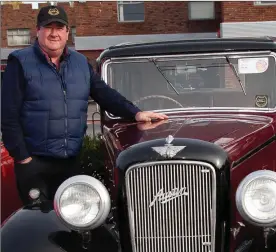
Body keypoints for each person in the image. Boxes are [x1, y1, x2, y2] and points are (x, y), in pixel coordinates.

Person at [1, 5, 168, 204]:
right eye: (48, 27)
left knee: (73, 222)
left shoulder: (80, 63)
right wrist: (23, 159)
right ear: (38, 30)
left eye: (59, 27)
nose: (54, 33)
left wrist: (135, 113)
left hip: (71, 163)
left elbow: (105, 94)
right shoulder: (20, 63)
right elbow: (7, 115)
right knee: (38, 224)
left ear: (66, 32)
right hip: (35, 164)